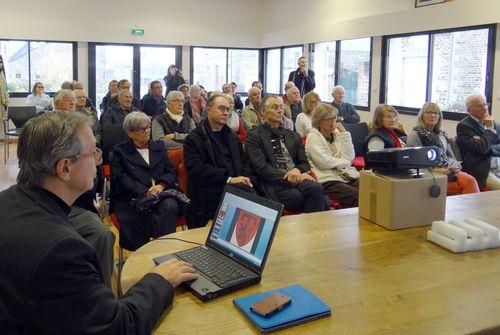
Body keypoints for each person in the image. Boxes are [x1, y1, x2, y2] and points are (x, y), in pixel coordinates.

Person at [0, 111, 197, 333]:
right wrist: (159, 279)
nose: (98, 158)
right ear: (65, 168)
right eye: (93, 150)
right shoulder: (62, 251)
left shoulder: (8, 201)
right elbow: (117, 327)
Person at [246, 95, 330, 213]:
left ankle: (311, 229)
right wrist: (291, 177)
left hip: (297, 178)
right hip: (274, 182)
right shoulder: (254, 136)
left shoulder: (293, 135)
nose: (280, 110)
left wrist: (297, 171)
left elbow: (304, 163)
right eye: (274, 108)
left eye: (281, 107)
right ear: (263, 112)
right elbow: (261, 168)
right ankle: (313, 228)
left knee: (316, 188)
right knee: (308, 198)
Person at [112, 112, 183, 250]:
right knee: (144, 215)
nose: (147, 131)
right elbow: (121, 179)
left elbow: (170, 171)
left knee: (170, 205)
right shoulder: (120, 151)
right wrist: (146, 191)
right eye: (142, 129)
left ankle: (162, 250)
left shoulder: (158, 146)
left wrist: (161, 186)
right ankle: (152, 251)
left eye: (148, 127)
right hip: (134, 197)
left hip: (161, 193)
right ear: (130, 133)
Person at [184, 94, 256, 228]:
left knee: (254, 190)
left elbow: (245, 162)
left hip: (237, 184)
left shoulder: (232, 137)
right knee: (248, 196)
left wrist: (247, 178)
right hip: (209, 187)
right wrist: (228, 179)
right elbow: (196, 170)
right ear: (208, 109)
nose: (226, 113)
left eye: (228, 109)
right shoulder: (194, 138)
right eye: (222, 109)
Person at [407, 102, 479, 195]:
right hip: (429, 174)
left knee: (471, 180)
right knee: (467, 185)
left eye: (436, 113)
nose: (433, 115)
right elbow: (413, 162)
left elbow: (450, 155)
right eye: (429, 113)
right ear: (422, 116)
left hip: (448, 170)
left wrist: (455, 166)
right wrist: (434, 170)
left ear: (439, 117)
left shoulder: (442, 135)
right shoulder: (415, 135)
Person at [305, 103, 359, 208]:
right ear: (319, 122)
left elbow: (350, 156)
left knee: (370, 188)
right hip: (328, 179)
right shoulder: (313, 137)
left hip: (346, 175)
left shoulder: (337, 134)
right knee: (356, 196)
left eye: (335, 118)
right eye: (329, 119)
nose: (334, 122)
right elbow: (324, 162)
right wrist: (345, 162)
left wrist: (344, 133)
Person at [456, 94, 500, 190]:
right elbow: (480, 148)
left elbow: (486, 148)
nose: (485, 108)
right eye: (480, 106)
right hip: (483, 170)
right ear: (469, 110)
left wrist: (489, 149)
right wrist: (489, 129)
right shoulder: (464, 126)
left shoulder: (493, 123)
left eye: (485, 104)